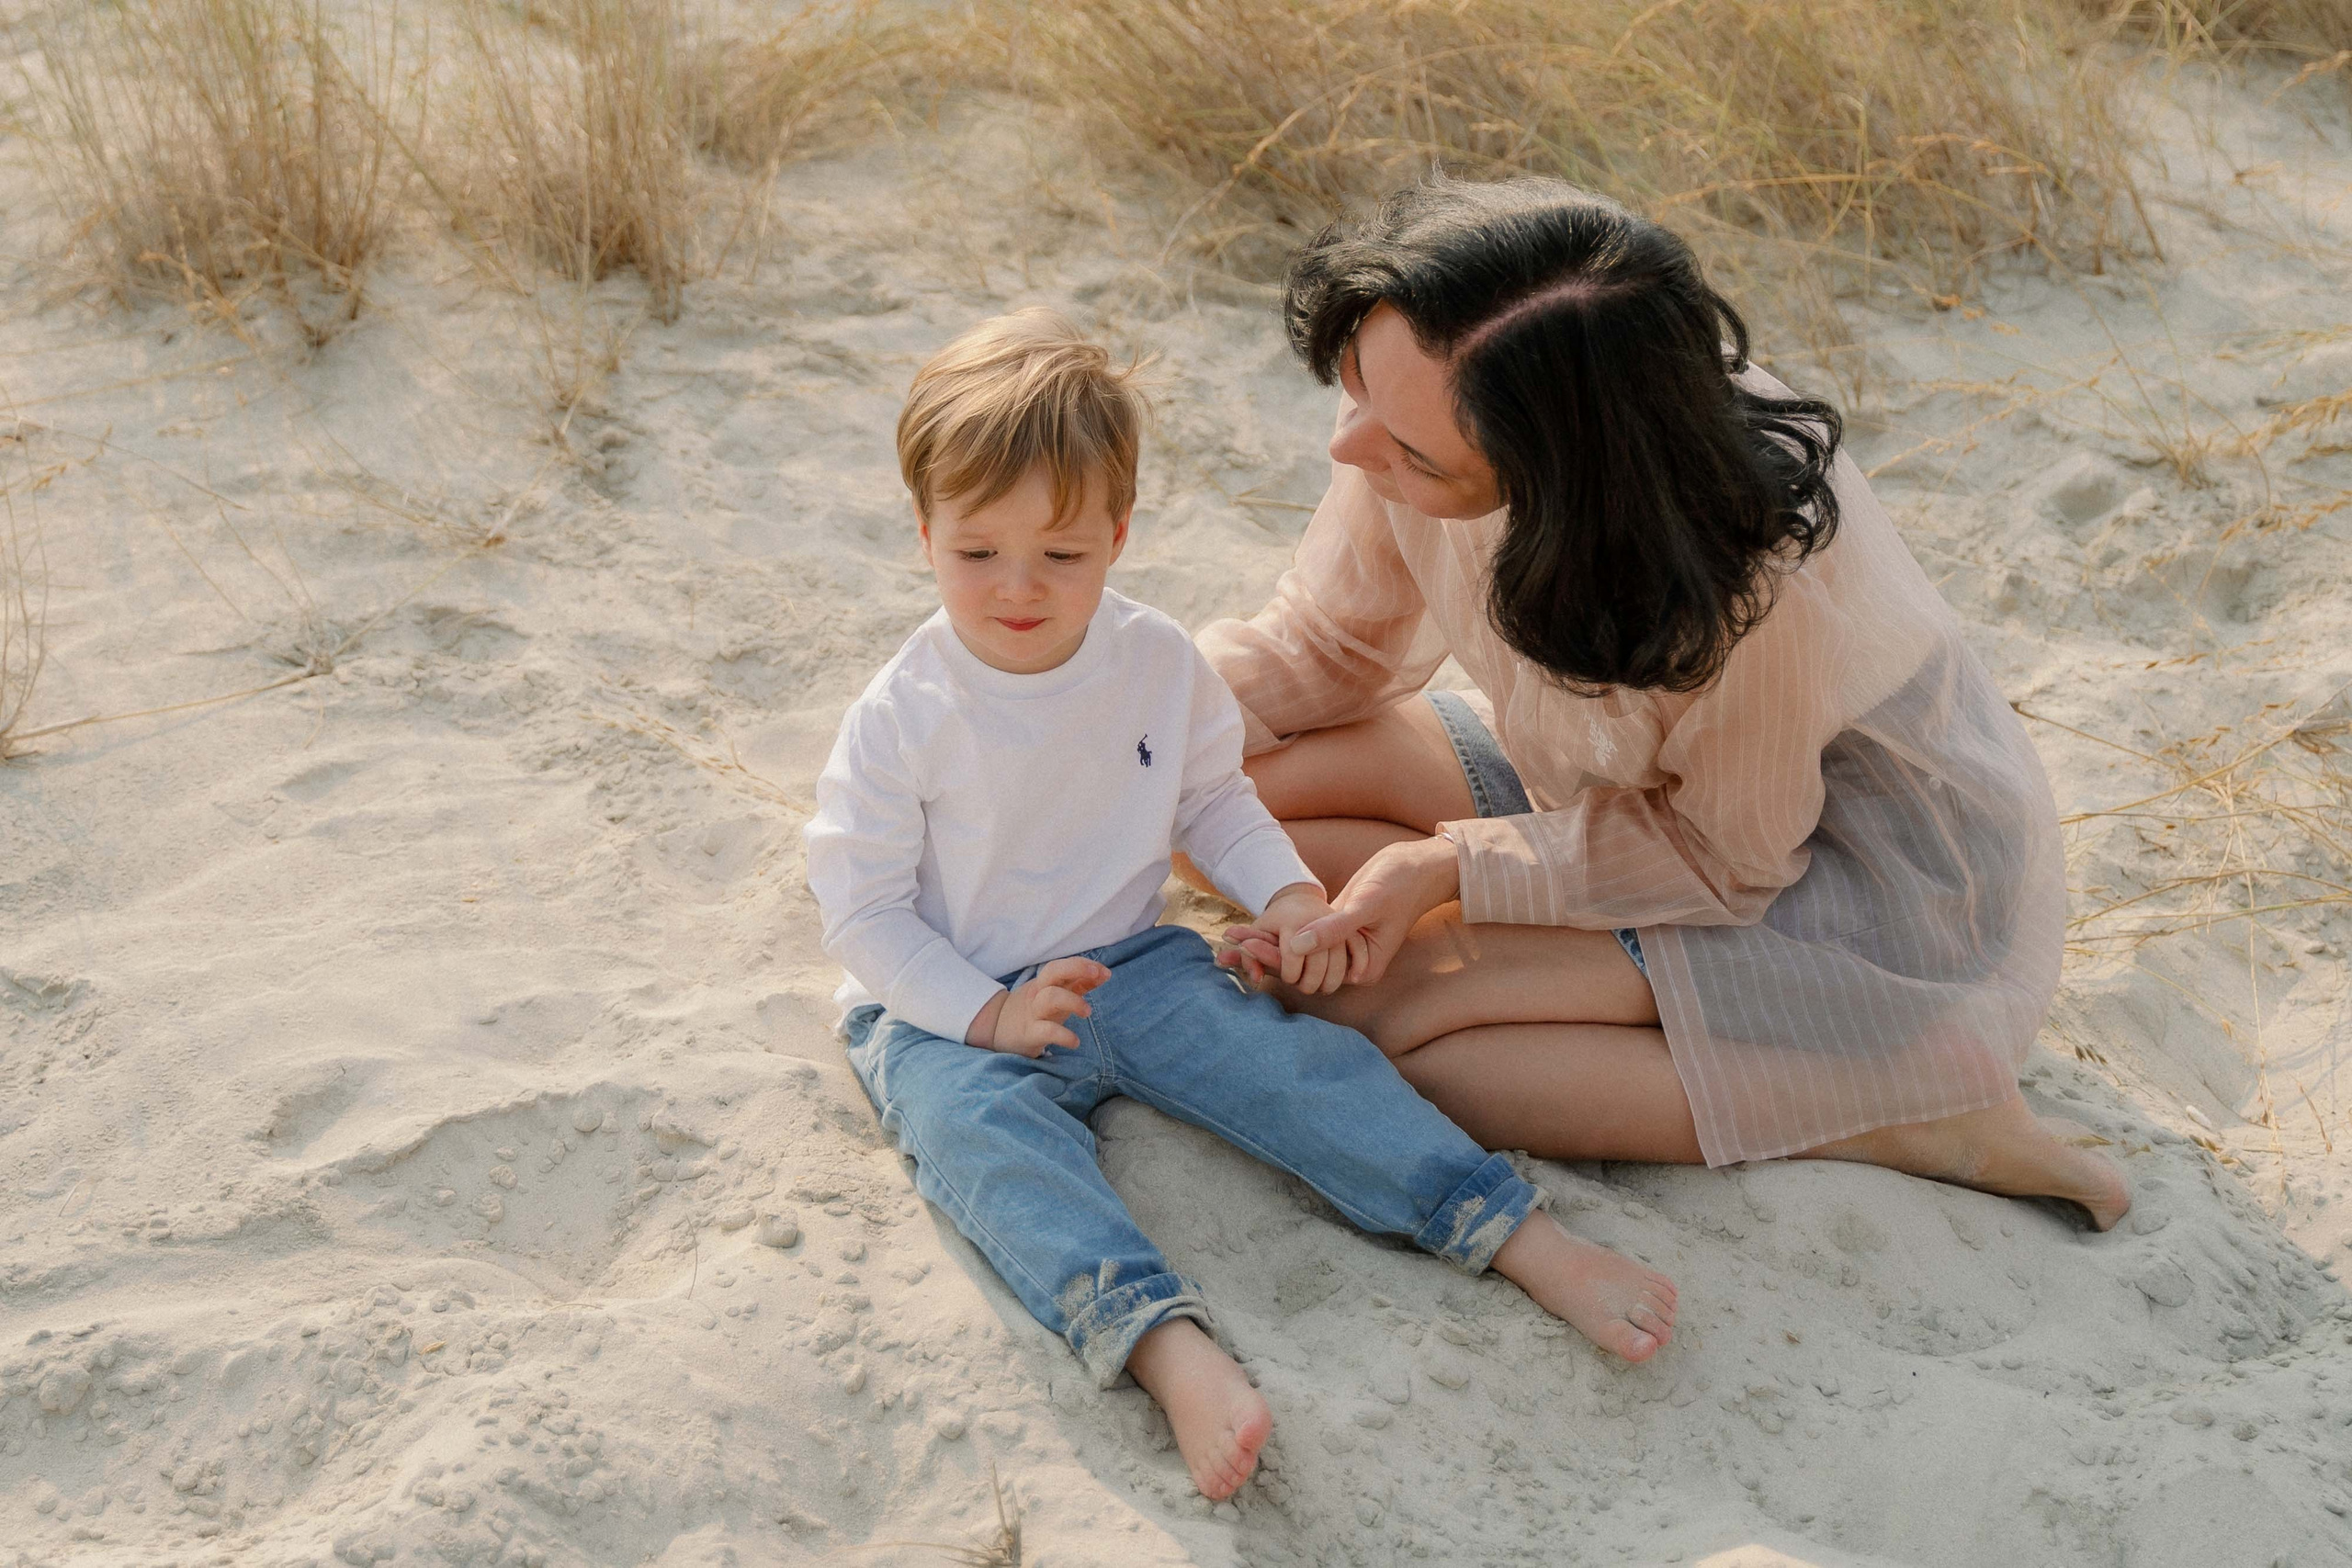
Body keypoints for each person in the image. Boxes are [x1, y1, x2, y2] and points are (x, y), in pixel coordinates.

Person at [801, 309, 1679, 1503]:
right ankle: (1167, 1344)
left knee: (1301, 1066)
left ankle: (1512, 1230)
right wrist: (988, 1014)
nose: (1018, 587)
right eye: (977, 553)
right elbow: (860, 914)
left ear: (1116, 533)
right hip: (947, 1005)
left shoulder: (1155, 661)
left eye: (1061, 554)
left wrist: (1286, 891)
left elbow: (1209, 799)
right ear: (924, 534)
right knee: (987, 1152)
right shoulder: (903, 713)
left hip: (1132, 962)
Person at [1200, 176, 2130, 1230]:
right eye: (1356, 386)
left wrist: (1446, 866)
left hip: (1827, 872)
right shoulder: (1431, 376)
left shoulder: (1748, 570)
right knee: (1210, 796)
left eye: (1412, 454)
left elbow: (1725, 855)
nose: (1349, 449)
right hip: (1601, 781)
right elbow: (1326, 644)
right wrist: (1102, 728)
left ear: (1562, 475)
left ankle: (1911, 1109)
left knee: (1387, 1024)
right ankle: (1557, 967)